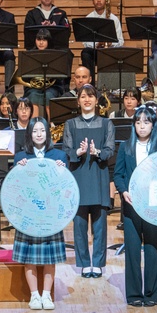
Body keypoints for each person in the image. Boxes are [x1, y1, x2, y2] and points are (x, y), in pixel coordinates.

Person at [115, 106, 157, 307]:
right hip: (131, 206)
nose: (142, 126)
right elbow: (118, 174)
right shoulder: (125, 146)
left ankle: (152, 294)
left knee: (153, 249)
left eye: (146, 122)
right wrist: (123, 191)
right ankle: (134, 294)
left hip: (154, 206)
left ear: (153, 124)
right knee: (132, 249)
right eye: (138, 122)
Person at [12, 117, 68, 310]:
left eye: (42, 130)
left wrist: (62, 172)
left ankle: (47, 295)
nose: (38, 134)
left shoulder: (59, 155)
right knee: (29, 257)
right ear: (29, 133)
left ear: (48, 133)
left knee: (49, 258)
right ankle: (34, 295)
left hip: (50, 214)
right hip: (28, 214)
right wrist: (18, 171)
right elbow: (15, 186)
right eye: (35, 131)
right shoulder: (21, 157)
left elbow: (64, 188)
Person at [64, 84, 115, 279]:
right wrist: (77, 152)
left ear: (96, 100)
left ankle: (99, 263)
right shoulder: (71, 124)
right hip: (78, 177)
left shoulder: (106, 124)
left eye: (90, 96)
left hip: (99, 176)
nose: (87, 99)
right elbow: (67, 150)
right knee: (79, 226)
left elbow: (110, 150)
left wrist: (97, 152)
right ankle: (85, 263)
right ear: (78, 101)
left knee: (100, 226)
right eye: (83, 96)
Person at [80, 0, 123, 82]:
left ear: (106, 1)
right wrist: (96, 45)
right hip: (95, 51)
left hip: (110, 51)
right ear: (92, 1)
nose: (99, 0)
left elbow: (121, 41)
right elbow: (85, 42)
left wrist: (111, 44)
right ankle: (90, 85)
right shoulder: (88, 18)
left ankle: (111, 85)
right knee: (86, 53)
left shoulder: (114, 19)